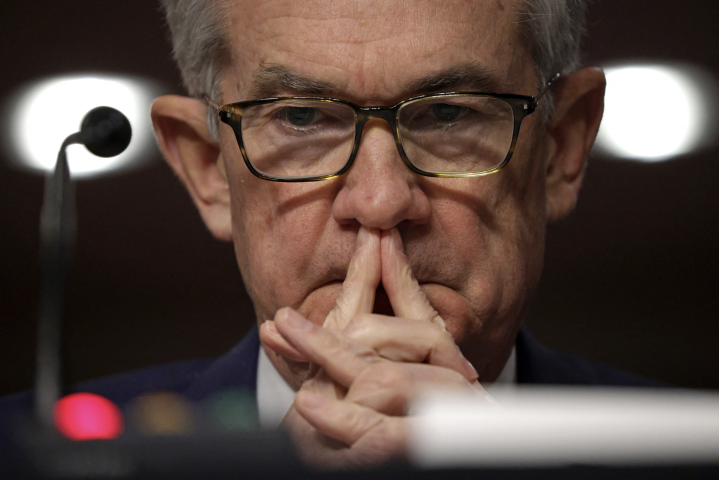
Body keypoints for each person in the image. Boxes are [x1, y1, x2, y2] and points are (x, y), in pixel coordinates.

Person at [0, 0, 658, 471]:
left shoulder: (683, 452)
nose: (378, 201)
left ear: (559, 148)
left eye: (448, 113)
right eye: (302, 118)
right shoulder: (24, 456)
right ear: (209, 171)